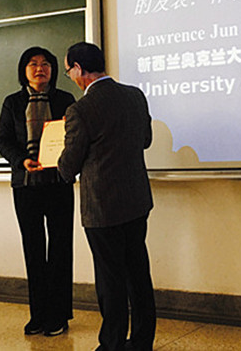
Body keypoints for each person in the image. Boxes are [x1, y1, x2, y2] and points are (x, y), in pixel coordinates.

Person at [58, 42, 156, 351]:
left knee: (110, 279)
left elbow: (69, 166)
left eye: (69, 71)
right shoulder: (135, 96)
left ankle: (112, 344)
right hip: (137, 201)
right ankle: (142, 342)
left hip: (102, 209)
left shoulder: (79, 110)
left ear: (79, 69)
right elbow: (146, 140)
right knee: (138, 273)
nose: (70, 77)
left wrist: (58, 164)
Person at [0, 46, 75, 336]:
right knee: (33, 250)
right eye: (33, 63)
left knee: (60, 249)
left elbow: (75, 137)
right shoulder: (12, 103)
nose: (40, 68)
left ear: (53, 70)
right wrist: (21, 161)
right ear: (24, 70)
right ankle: (38, 314)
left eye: (46, 64)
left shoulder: (65, 100)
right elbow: (3, 140)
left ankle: (59, 315)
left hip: (58, 183)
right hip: (26, 185)